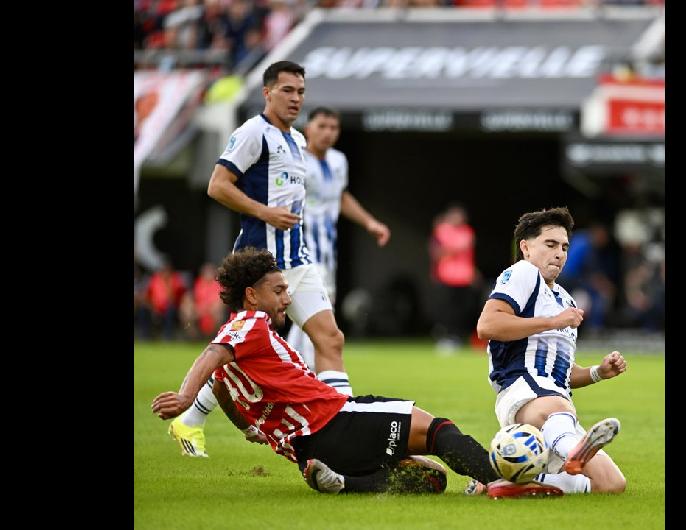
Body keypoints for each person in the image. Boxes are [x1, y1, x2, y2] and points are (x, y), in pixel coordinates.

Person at [152, 248, 516, 495]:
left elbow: (219, 387)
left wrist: (249, 426)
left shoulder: (236, 343)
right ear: (251, 295)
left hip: (306, 452)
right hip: (336, 421)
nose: (287, 298)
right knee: (438, 430)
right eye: (278, 290)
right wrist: (185, 397)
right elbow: (211, 355)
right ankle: (499, 480)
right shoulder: (250, 323)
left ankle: (343, 481)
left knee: (430, 479)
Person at [167, 60, 353, 458]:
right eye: (287, 90)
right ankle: (191, 419)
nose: (295, 98)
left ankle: (346, 423)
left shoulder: (298, 140)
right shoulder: (253, 133)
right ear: (268, 93)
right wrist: (264, 212)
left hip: (299, 262)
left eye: (301, 91)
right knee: (239, 355)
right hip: (261, 266)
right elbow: (218, 186)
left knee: (330, 338)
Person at [469, 207, 628, 497]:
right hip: (524, 393)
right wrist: (553, 321)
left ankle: (509, 481)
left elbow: (560, 372)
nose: (560, 254)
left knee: (611, 484)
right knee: (557, 406)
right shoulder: (523, 273)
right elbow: (487, 325)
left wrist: (598, 372)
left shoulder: (564, 297)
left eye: (565, 247)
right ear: (526, 247)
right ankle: (573, 448)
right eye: (551, 244)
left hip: (555, 409)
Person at [286, 106, 391, 370]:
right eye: (322, 126)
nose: (328, 133)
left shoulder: (338, 161)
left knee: (314, 311)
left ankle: (294, 368)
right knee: (315, 311)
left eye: (334, 128)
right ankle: (307, 370)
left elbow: (340, 196)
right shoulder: (295, 160)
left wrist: (370, 222)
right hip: (302, 248)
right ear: (308, 129)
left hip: (327, 251)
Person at [428, 204, 480, 352]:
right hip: (446, 276)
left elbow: (466, 251)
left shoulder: (467, 231)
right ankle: (446, 337)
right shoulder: (442, 230)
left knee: (463, 309)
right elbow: (436, 251)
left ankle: (457, 337)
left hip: (464, 277)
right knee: (446, 310)